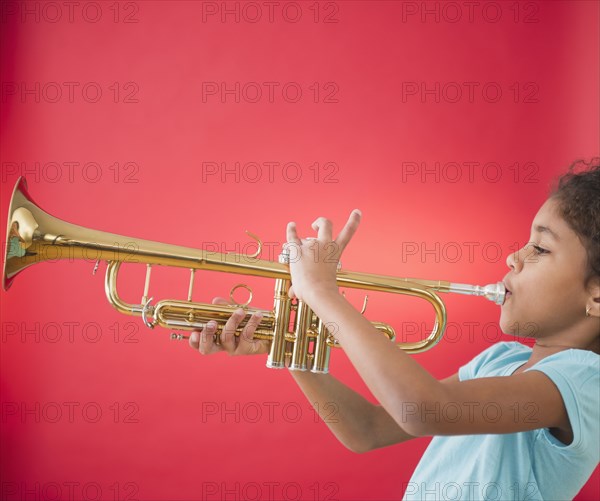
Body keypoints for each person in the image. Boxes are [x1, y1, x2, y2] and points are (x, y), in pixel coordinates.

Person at [188, 159, 599, 501]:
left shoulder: (584, 383)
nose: (513, 257)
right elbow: (366, 430)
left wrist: (322, 293)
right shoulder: (500, 360)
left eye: (541, 249)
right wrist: (286, 342)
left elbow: (421, 410)